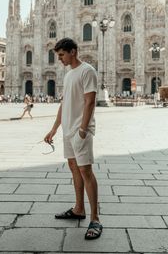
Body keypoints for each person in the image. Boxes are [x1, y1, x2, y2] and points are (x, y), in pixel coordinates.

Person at [44, 37, 102, 240]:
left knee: (86, 171)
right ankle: (79, 209)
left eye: (61, 55)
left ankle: (95, 218)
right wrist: (53, 129)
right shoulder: (69, 75)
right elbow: (64, 104)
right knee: (74, 168)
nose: (59, 59)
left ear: (73, 52)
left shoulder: (87, 71)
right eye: (58, 56)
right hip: (68, 131)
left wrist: (83, 130)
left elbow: (90, 101)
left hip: (80, 131)